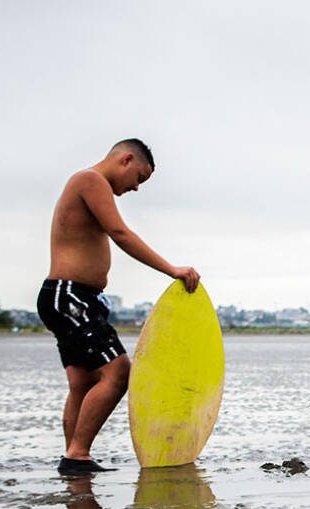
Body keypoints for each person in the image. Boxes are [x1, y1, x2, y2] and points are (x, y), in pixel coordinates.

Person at [37, 138, 200, 475]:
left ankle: (74, 458)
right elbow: (119, 232)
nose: (136, 188)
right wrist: (173, 269)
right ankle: (76, 455)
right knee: (119, 372)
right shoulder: (89, 180)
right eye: (139, 178)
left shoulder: (90, 185)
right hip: (70, 295)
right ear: (125, 159)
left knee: (83, 384)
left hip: (72, 298)